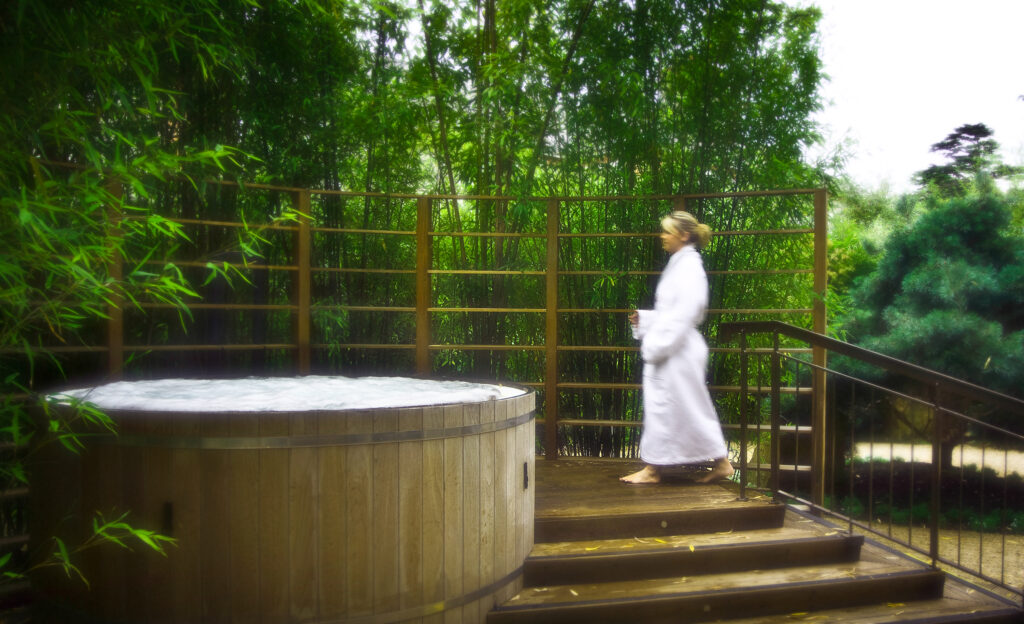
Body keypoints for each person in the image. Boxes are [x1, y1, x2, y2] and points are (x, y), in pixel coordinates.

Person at [620, 210, 735, 485]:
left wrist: (655, 345)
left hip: (677, 349)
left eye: (667, 231)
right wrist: (646, 320)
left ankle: (653, 471)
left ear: (683, 235)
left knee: (669, 407)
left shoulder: (689, 268)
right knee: (686, 407)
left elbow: (685, 313)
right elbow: (673, 313)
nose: (662, 236)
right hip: (676, 346)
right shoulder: (681, 264)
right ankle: (721, 463)